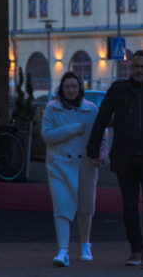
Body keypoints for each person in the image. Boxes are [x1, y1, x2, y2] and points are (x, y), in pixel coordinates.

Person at [87, 50, 143, 267]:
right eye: (137, 66)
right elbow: (101, 121)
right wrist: (93, 152)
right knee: (129, 206)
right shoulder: (118, 89)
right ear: (131, 67)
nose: (140, 71)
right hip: (125, 159)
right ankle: (135, 251)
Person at [42, 71, 109, 268]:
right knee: (61, 205)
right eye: (67, 87)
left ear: (80, 88)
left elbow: (101, 137)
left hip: (85, 166)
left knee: (86, 206)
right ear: (61, 89)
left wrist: (102, 156)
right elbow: (46, 135)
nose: (71, 90)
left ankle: (85, 245)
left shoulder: (91, 109)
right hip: (59, 165)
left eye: (74, 86)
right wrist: (71, 129)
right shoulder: (52, 108)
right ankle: (62, 250)